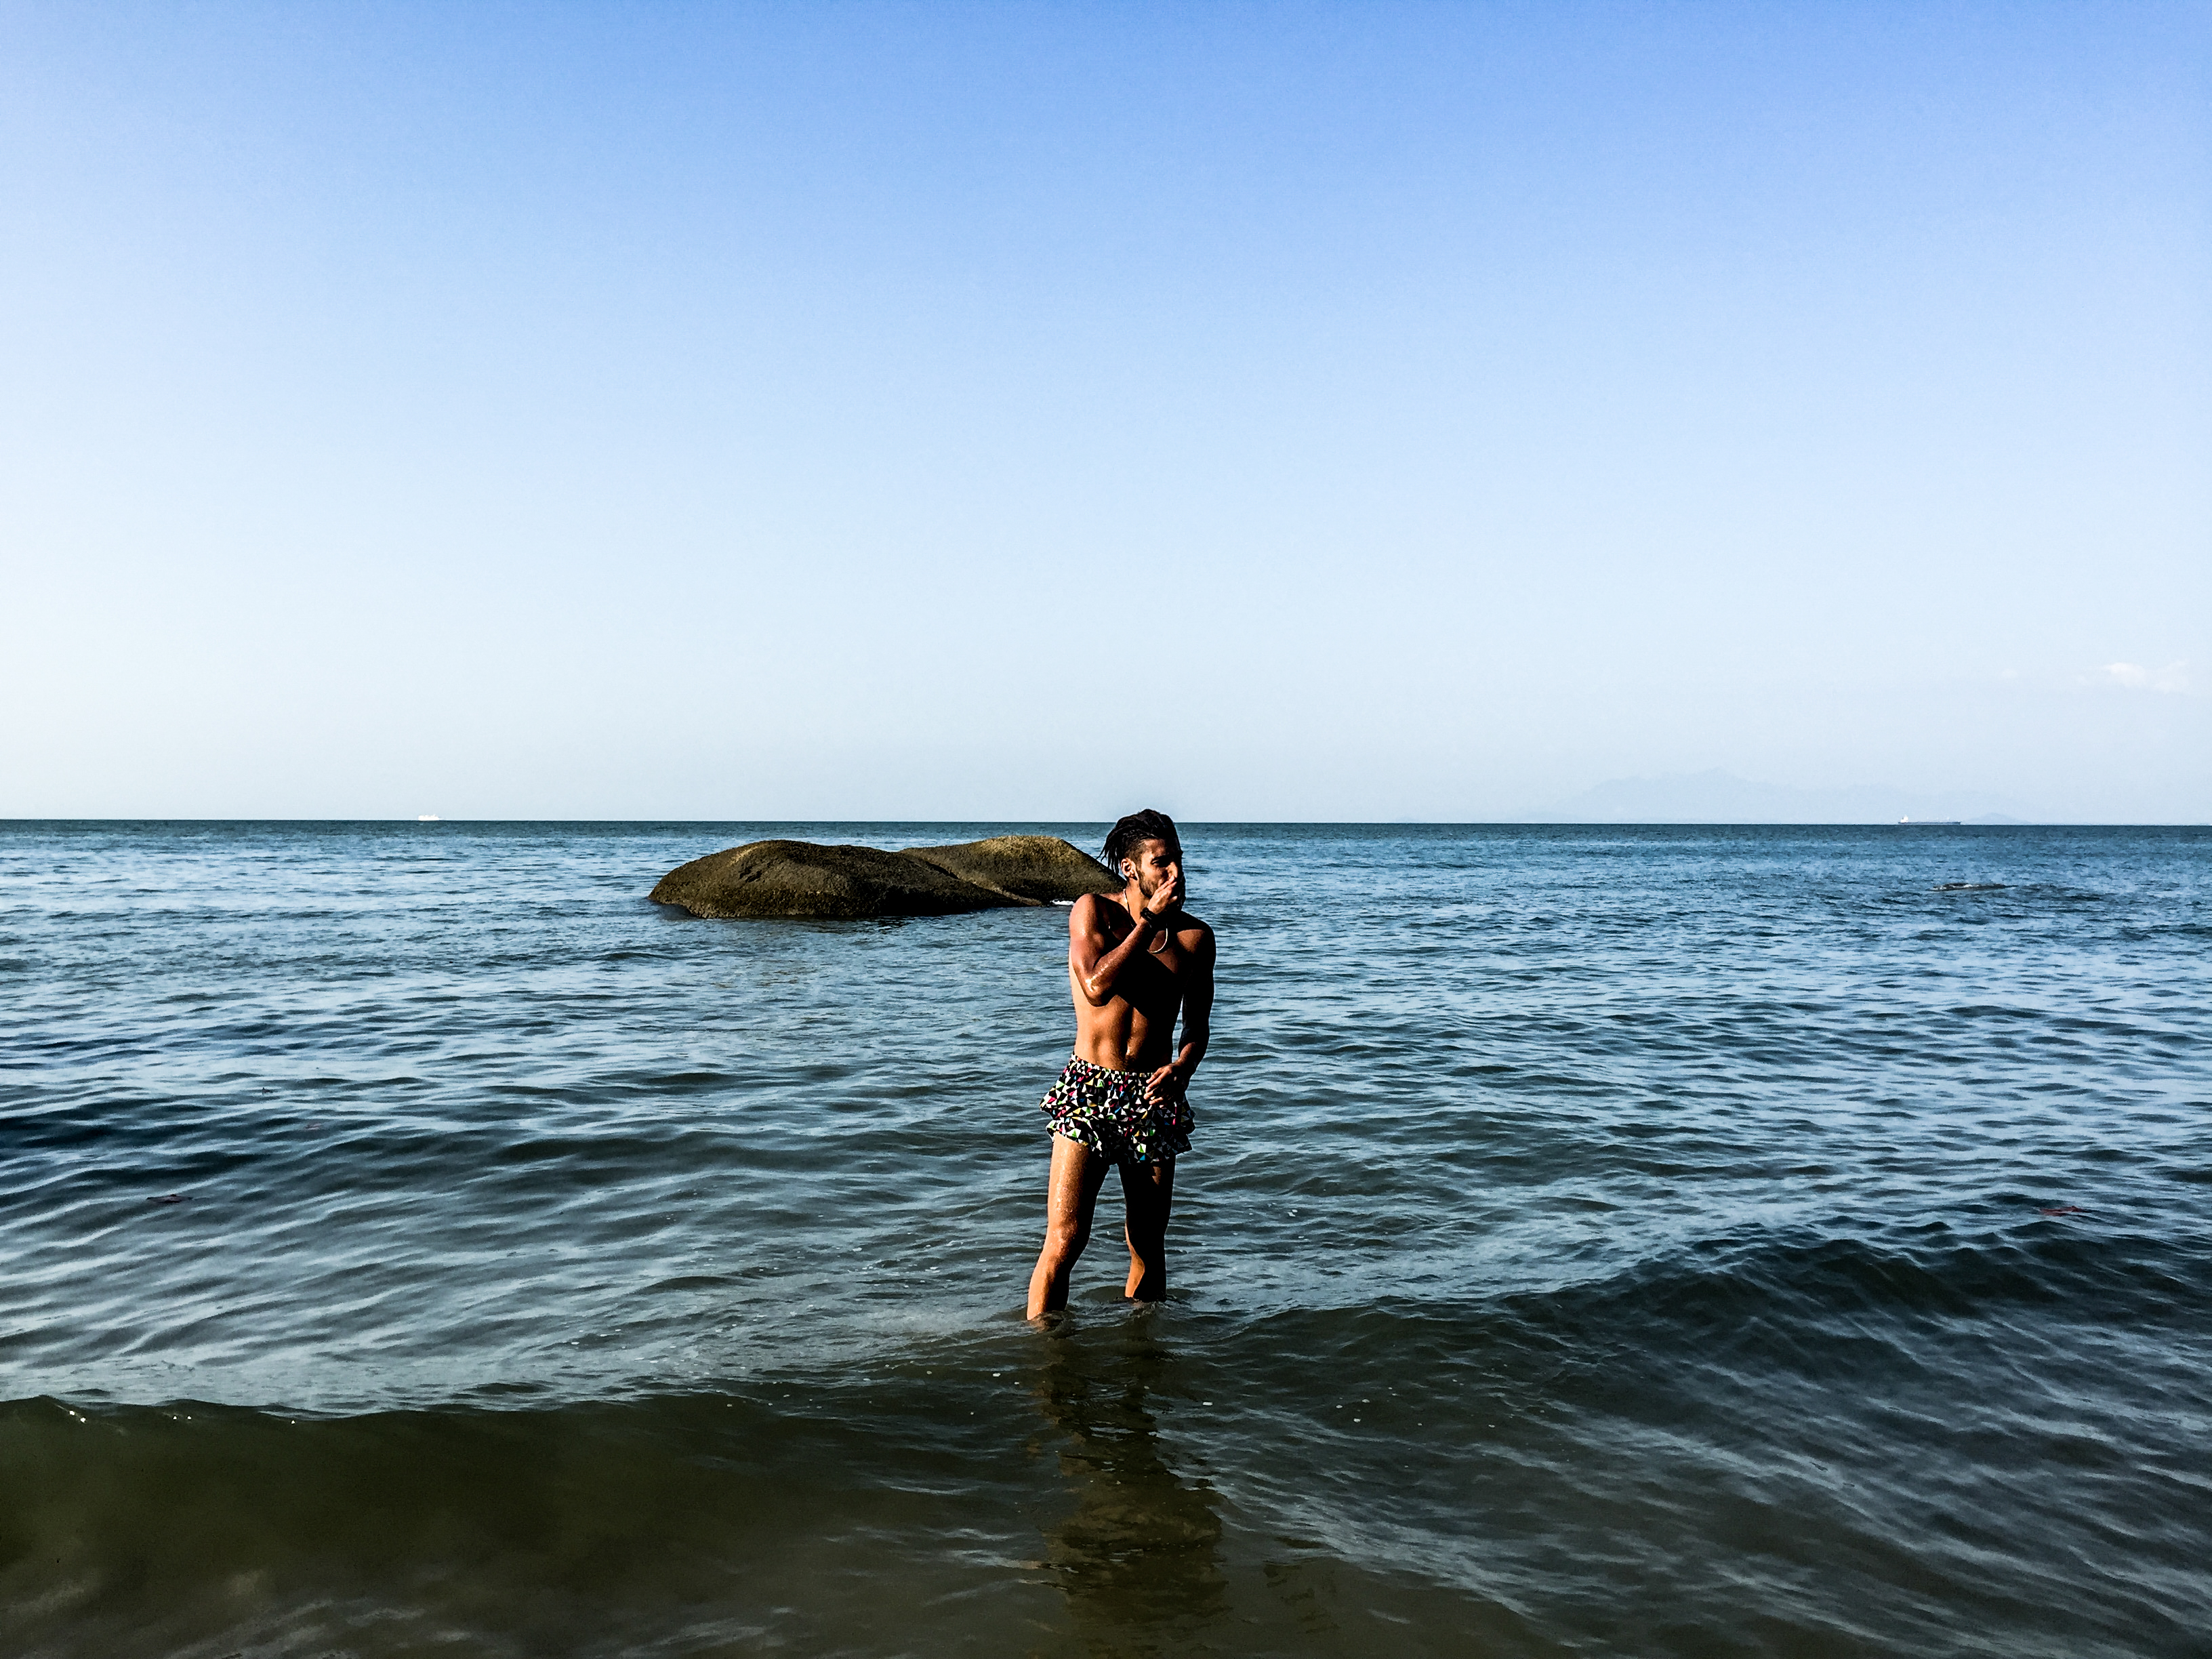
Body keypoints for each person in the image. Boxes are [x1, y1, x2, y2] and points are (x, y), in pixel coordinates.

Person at [1025, 809, 1216, 1320]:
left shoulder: (1196, 939)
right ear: (1131, 869)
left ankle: (1143, 1354)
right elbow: (1095, 985)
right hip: (1089, 1089)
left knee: (1148, 1242)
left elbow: (1197, 1028)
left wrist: (1183, 1069)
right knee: (1066, 1239)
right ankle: (1044, 1353)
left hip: (1154, 1094)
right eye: (1162, 863)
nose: (1176, 873)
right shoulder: (1092, 912)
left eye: (1179, 860)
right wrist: (1148, 921)